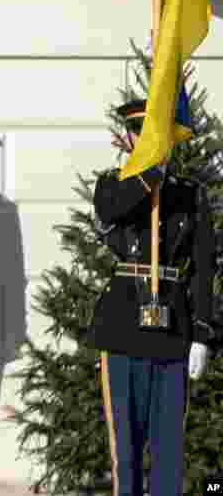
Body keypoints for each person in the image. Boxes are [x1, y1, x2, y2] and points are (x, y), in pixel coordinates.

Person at [84, 99, 214, 496]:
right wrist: (149, 174)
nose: (147, 137)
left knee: (168, 448)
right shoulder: (113, 183)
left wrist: (203, 334)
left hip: (173, 327)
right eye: (139, 131)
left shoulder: (190, 194)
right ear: (128, 136)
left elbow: (206, 268)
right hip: (123, 328)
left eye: (155, 130)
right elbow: (113, 209)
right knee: (125, 447)